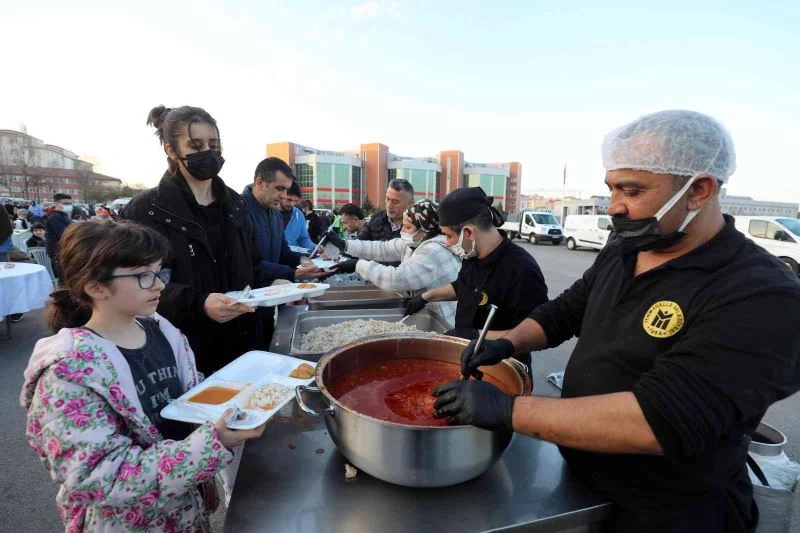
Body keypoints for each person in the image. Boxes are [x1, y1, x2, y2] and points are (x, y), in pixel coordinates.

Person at [432, 110, 800, 532]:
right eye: (611, 187)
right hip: (581, 484)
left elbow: (660, 420)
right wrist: (506, 343)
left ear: (698, 190)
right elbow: (566, 312)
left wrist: (508, 409)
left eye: (632, 189)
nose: (614, 206)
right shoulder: (626, 248)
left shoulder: (759, 294)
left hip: (669, 513)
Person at [20, 220, 265, 532]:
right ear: (96, 286)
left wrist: (239, 400)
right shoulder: (68, 374)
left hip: (184, 512)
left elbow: (187, 396)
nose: (160, 284)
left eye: (159, 271)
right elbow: (97, 478)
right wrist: (211, 445)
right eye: (143, 276)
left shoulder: (162, 331)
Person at [124, 105, 268, 375]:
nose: (208, 152)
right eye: (195, 144)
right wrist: (199, 303)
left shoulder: (236, 204)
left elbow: (254, 265)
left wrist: (280, 282)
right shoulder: (146, 210)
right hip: (184, 348)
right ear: (171, 150)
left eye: (213, 144)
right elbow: (135, 283)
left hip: (245, 342)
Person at [404, 187, 548, 366]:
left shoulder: (521, 270)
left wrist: (477, 334)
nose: (447, 243)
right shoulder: (471, 254)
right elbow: (464, 287)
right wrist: (426, 297)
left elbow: (536, 333)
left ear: (469, 233)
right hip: (466, 357)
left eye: (448, 236)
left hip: (502, 365)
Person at [326, 200, 461, 325]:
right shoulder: (416, 242)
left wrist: (358, 265)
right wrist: (344, 244)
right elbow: (382, 248)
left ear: (424, 229)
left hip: (444, 320)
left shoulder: (434, 250)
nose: (402, 231)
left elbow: (397, 279)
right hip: (430, 313)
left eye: (407, 227)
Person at [241, 158, 320, 284]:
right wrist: (290, 273)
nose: (284, 195)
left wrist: (311, 260)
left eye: (286, 190)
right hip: (247, 298)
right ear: (260, 182)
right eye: (279, 188)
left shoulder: (275, 213)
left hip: (274, 294)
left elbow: (283, 253)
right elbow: (246, 264)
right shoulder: (239, 212)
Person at [45, 193, 74, 279]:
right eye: (65, 203)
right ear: (56, 204)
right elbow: (64, 234)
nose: (69, 205)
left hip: (64, 250)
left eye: (70, 203)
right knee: (64, 278)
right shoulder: (55, 217)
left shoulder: (63, 216)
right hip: (58, 251)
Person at [280, 181, 316, 250]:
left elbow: (303, 239)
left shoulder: (299, 215)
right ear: (282, 195)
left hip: (290, 257)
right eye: (289, 200)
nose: (292, 204)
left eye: (296, 201)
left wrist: (314, 247)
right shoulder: (270, 212)